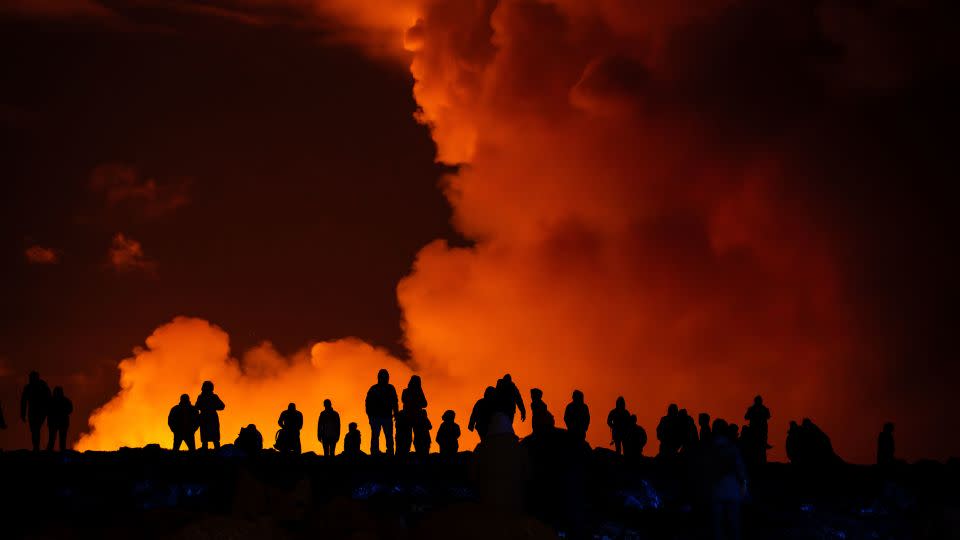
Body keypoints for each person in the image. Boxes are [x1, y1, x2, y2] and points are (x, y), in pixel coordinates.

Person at [706, 419, 747, 540]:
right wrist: (743, 487)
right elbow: (740, 470)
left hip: (716, 491)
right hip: (732, 491)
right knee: (733, 527)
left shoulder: (709, 449)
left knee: (717, 528)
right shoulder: (732, 449)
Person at [365, 368, 399, 455]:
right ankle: (376, 452)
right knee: (377, 436)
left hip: (385, 417)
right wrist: (370, 416)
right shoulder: (375, 389)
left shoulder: (388, 388)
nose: (384, 379)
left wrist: (396, 413)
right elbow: (368, 403)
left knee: (386, 436)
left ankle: (388, 452)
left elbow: (395, 402)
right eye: (383, 377)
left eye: (385, 377)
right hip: (378, 417)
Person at [398, 375, 430, 456]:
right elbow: (424, 403)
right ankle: (418, 453)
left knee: (409, 437)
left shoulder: (406, 391)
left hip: (409, 417)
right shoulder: (417, 392)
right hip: (415, 417)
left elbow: (424, 404)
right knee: (416, 437)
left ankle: (405, 453)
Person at [20, 371, 51, 451]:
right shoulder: (34, 387)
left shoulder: (35, 387)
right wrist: (23, 414)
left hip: (39, 412)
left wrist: (23, 414)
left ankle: (36, 447)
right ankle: (36, 447)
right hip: (36, 412)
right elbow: (24, 401)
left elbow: (48, 399)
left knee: (35, 429)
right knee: (35, 430)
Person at [195, 381, 225, 450]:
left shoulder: (202, 397)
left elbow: (222, 406)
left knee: (208, 437)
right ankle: (216, 451)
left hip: (205, 417)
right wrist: (212, 407)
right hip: (211, 417)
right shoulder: (213, 397)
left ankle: (208, 451)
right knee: (213, 437)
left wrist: (207, 407)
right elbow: (222, 406)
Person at [744, 395, 770, 461]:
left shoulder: (755, 409)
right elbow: (746, 417)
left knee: (759, 446)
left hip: (759, 430)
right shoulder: (763, 409)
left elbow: (746, 417)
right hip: (756, 430)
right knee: (759, 446)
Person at [47, 386, 73, 452]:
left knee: (52, 438)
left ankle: (49, 452)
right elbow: (70, 409)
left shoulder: (50, 401)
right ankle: (61, 451)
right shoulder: (66, 401)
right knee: (61, 438)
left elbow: (46, 410)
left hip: (54, 422)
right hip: (62, 422)